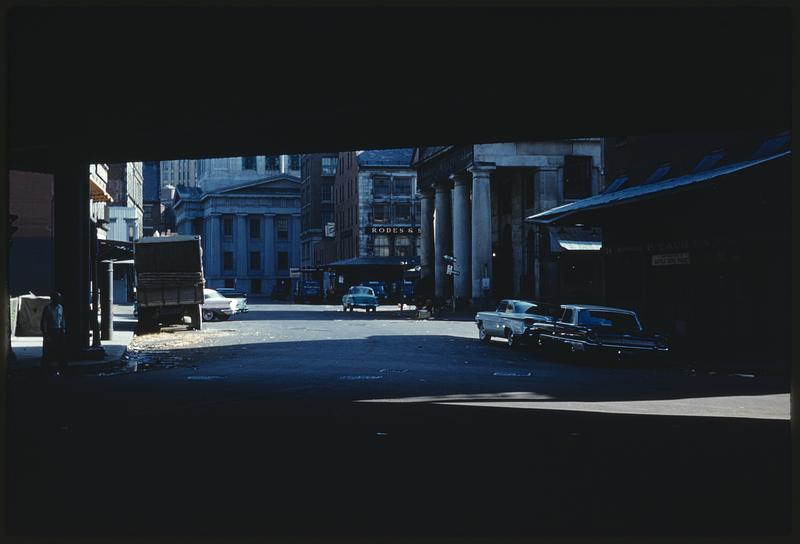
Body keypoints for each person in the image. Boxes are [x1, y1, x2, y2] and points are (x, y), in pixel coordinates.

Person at [40, 291, 66, 372]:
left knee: (59, 347)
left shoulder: (61, 307)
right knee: (48, 348)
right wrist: (45, 333)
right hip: (50, 330)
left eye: (59, 298)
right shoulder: (48, 308)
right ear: (53, 299)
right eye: (57, 298)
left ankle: (59, 365)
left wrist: (64, 328)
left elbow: (62, 319)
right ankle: (46, 365)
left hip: (58, 330)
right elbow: (45, 321)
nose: (59, 300)